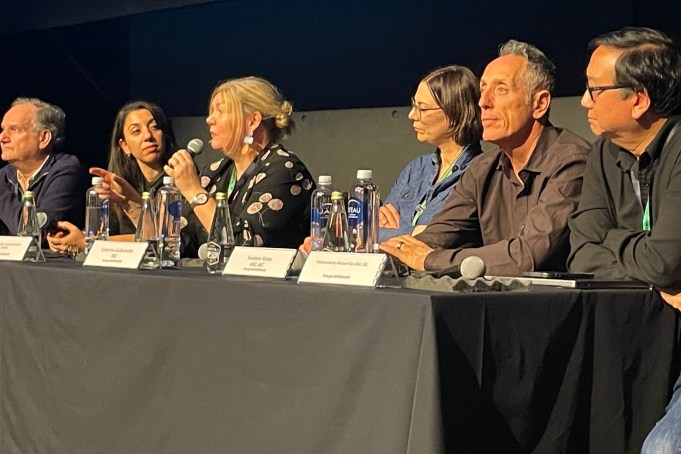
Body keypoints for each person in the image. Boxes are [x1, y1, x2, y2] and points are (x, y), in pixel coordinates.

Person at [561, 27, 681, 453]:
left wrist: (611, 239)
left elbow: (666, 262)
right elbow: (580, 252)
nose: (583, 101)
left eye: (595, 90)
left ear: (639, 99)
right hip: (645, 342)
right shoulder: (602, 152)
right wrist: (641, 252)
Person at [381, 40, 590, 275]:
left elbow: (528, 255)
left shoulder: (572, 161)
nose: (483, 102)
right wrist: (375, 256)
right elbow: (435, 236)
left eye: (501, 90)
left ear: (539, 104)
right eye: (483, 90)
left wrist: (430, 260)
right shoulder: (483, 168)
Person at [166, 76, 314, 256]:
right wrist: (133, 207)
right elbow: (181, 242)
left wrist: (193, 191)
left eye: (220, 111)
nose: (209, 120)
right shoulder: (216, 172)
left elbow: (243, 247)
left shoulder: (285, 170)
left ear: (252, 121)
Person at [47, 100, 177, 254]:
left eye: (155, 127)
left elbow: (170, 239)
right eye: (136, 131)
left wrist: (90, 243)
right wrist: (74, 238)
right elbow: (109, 235)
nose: (148, 136)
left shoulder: (178, 183)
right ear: (125, 146)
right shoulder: (121, 185)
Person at [378, 65, 482, 242]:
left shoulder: (478, 173)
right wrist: (416, 231)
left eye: (423, 109)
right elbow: (372, 232)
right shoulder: (416, 169)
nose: (412, 115)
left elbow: (444, 240)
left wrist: (401, 232)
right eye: (414, 105)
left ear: (455, 113)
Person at [0, 97, 87, 236]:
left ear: (43, 138)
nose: (3, 138)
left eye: (14, 130)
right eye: (3, 129)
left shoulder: (66, 170)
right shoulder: (4, 176)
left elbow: (36, 232)